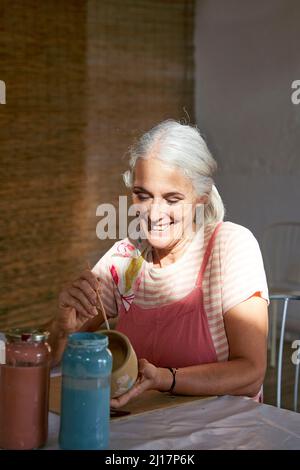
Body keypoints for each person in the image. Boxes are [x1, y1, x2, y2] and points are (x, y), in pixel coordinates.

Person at [49, 120, 269, 408]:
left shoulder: (230, 247)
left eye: (172, 198)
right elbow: (53, 357)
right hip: (143, 428)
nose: (154, 213)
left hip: (223, 429)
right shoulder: (125, 260)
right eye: (143, 195)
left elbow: (251, 373)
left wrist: (166, 379)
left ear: (200, 199)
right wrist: (62, 329)